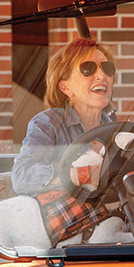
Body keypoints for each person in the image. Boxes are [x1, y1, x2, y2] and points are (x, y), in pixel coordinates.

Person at [11, 37, 117, 195]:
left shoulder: (113, 128)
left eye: (107, 68)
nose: (101, 75)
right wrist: (76, 175)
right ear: (66, 88)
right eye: (88, 69)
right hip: (70, 218)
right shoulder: (48, 124)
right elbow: (22, 176)